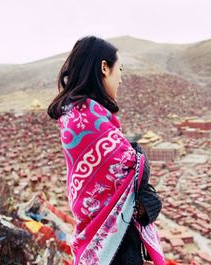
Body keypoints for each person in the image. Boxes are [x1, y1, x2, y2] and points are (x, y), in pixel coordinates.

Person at [47, 36, 165, 265]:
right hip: (116, 256)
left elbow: (138, 188)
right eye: (119, 68)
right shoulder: (86, 120)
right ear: (104, 67)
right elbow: (135, 168)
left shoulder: (83, 118)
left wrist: (145, 202)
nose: (121, 78)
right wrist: (139, 155)